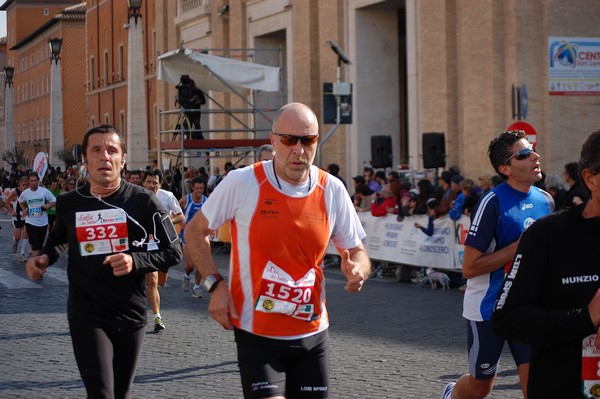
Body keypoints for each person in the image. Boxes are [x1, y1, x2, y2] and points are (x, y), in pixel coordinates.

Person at [184, 102, 371, 399]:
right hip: (257, 335)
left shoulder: (331, 189)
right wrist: (215, 285)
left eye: (307, 140)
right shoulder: (243, 182)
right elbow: (194, 232)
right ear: (273, 142)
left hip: (312, 334)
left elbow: (358, 252)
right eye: (289, 140)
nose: (298, 150)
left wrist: (358, 269)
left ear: (316, 142)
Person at [25, 125, 182, 398]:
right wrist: (42, 260)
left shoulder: (145, 202)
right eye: (96, 150)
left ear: (123, 159)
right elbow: (58, 243)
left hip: (129, 313)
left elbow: (174, 251)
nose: (104, 157)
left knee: (120, 394)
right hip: (85, 312)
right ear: (85, 160)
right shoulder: (69, 202)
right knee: (101, 394)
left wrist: (136, 260)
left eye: (112, 150)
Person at [441, 130, 554, 399]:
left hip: (528, 308)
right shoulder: (492, 202)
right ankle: (452, 393)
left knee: (535, 386)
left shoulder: (545, 200)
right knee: (481, 387)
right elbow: (470, 267)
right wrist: (518, 247)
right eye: (524, 154)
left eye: (533, 150)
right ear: (506, 168)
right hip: (489, 309)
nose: (535, 156)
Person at [492, 129, 600, 398]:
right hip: (561, 385)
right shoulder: (548, 235)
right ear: (590, 178)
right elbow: (508, 318)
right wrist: (585, 318)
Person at [143, 168, 185, 332]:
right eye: (149, 181)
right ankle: (157, 317)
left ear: (159, 184)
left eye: (155, 182)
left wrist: (168, 220)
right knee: (152, 281)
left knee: (160, 282)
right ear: (143, 182)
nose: (151, 185)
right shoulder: (138, 196)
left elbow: (180, 216)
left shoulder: (167, 196)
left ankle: (151, 293)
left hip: (164, 244)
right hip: (145, 244)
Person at [179, 177, 208, 298]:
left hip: (200, 235)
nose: (199, 191)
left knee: (201, 264)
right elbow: (176, 213)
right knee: (190, 265)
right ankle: (186, 276)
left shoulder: (206, 200)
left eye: (201, 188)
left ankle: (196, 288)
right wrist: (182, 224)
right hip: (186, 235)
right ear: (193, 188)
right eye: (197, 188)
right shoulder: (185, 200)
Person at [19, 172, 56, 260]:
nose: (33, 182)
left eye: (35, 181)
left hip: (43, 222)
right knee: (34, 246)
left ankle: (36, 263)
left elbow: (54, 200)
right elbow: (20, 202)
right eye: (31, 181)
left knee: (40, 246)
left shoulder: (44, 191)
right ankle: (36, 267)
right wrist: (24, 210)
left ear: (38, 181)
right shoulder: (25, 193)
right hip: (30, 222)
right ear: (29, 182)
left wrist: (48, 206)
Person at [176, 74, 206, 140]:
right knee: (186, 125)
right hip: (187, 111)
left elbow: (204, 101)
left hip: (195, 112)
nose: (189, 86)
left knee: (197, 126)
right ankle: (188, 138)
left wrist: (197, 100)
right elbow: (183, 99)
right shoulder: (185, 91)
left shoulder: (198, 91)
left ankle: (200, 140)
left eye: (190, 85)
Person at [6, 176, 29, 262]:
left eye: (27, 185)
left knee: (26, 235)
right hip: (16, 217)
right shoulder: (15, 192)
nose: (25, 187)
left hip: (26, 216)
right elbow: (7, 202)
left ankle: (23, 255)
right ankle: (15, 243)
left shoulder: (29, 192)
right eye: (23, 185)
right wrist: (12, 211)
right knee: (17, 236)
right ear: (20, 184)